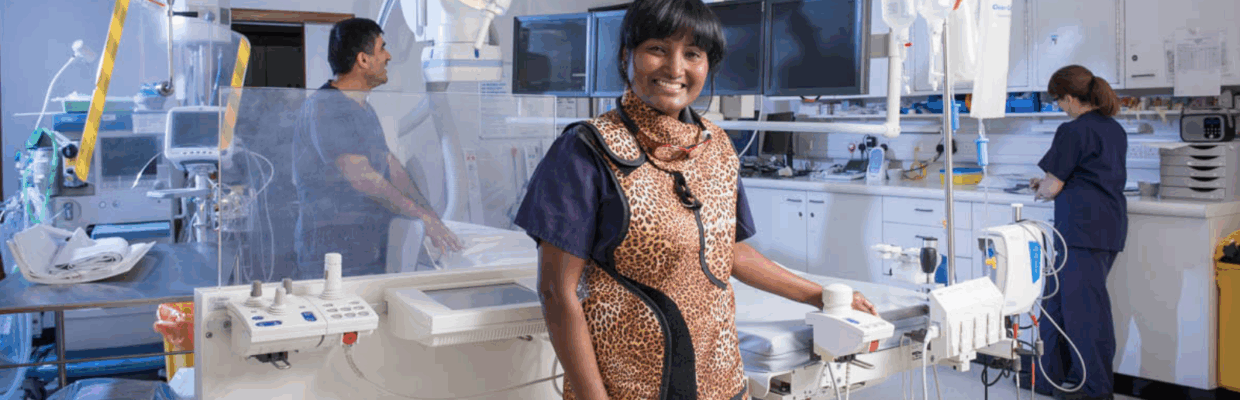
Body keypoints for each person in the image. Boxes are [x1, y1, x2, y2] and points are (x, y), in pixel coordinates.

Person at [513, 1, 877, 399]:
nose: (674, 68)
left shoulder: (716, 146)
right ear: (626, 56)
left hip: (721, 382)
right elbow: (556, 291)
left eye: (692, 54)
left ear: (708, 65)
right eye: (656, 48)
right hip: (630, 388)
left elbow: (730, 251)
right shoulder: (584, 151)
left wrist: (821, 295)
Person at [292, 18, 462, 279]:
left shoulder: (364, 109)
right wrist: (422, 217)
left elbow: (392, 168)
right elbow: (363, 178)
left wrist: (430, 216)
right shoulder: (325, 107)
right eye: (382, 48)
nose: (388, 56)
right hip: (331, 255)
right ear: (363, 60)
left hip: (367, 249)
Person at [1028, 65, 1127, 400]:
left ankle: (1095, 389)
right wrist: (1047, 183)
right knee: (1054, 306)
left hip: (1082, 233)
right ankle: (1048, 379)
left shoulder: (1072, 131)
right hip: (1103, 227)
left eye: (1058, 100)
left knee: (1086, 313)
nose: (1058, 106)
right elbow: (1082, 174)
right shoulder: (1114, 129)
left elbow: (1053, 186)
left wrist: (1041, 188)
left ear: (1070, 98)